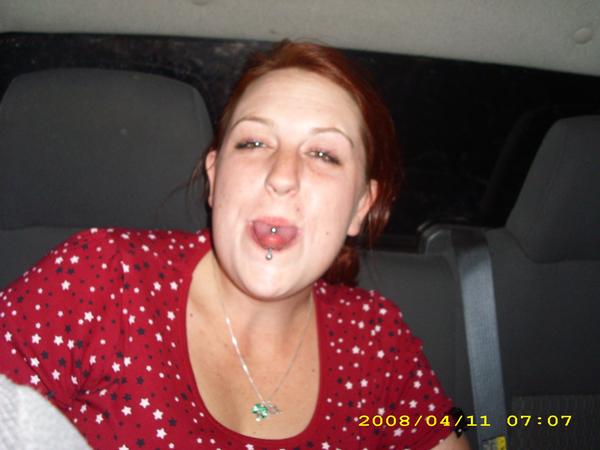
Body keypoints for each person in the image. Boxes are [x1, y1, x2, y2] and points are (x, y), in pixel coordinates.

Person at [0, 40, 469, 449]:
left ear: (360, 208)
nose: (282, 176)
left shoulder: (377, 341)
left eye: (324, 154)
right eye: (253, 143)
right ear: (214, 175)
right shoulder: (101, 279)